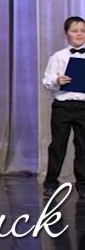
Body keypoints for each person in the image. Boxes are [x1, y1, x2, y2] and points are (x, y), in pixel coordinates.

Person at [41, 16, 85, 198]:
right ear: (66, 34)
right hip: (63, 107)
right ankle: (51, 182)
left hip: (83, 107)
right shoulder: (58, 57)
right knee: (58, 145)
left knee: (83, 146)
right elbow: (46, 81)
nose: (79, 34)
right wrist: (57, 80)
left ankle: (82, 184)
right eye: (74, 31)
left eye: (82, 31)